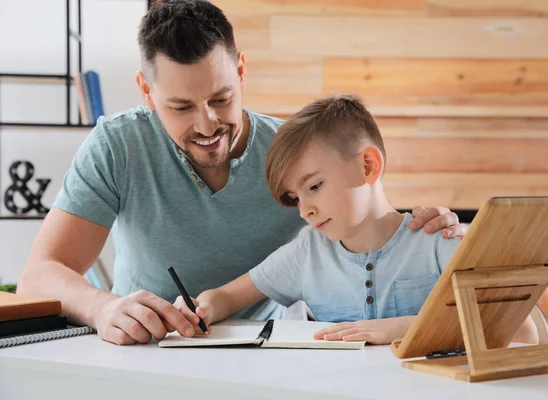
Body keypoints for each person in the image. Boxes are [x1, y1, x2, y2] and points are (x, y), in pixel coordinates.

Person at [17, 0, 466, 346]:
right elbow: (39, 274)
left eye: (220, 98)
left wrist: (427, 228)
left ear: (242, 71)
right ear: (146, 92)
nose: (208, 124)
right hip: (149, 350)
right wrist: (102, 308)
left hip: (269, 355)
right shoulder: (117, 145)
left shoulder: (293, 153)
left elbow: (364, 214)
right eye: (181, 107)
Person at [174, 94, 538, 345]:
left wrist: (401, 328)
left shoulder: (437, 241)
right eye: (295, 198)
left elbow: (522, 331)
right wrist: (202, 307)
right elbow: (225, 296)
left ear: (368, 165)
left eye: (314, 185)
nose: (305, 209)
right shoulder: (307, 253)